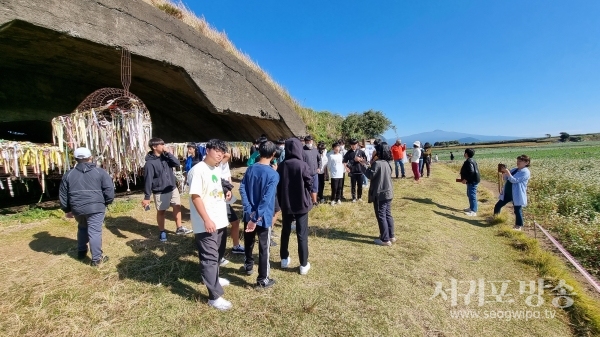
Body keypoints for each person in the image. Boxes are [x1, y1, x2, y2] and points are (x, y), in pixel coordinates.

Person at [188, 139, 233, 311]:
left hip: (219, 220)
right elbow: (196, 197)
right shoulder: (198, 170)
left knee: (218, 255)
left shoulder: (214, 169)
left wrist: (227, 192)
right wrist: (206, 219)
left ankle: (213, 278)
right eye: (217, 151)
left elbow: (214, 190)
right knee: (210, 258)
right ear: (207, 150)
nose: (220, 155)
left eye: (222, 152)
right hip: (206, 223)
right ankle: (214, 297)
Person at [59, 147, 114, 266]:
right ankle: (96, 259)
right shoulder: (100, 172)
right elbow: (109, 190)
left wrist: (67, 209)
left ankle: (81, 251)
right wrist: (107, 202)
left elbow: (63, 194)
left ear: (75, 159)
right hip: (96, 207)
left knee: (82, 228)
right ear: (90, 157)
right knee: (94, 231)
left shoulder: (68, 174)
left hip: (77, 208)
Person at [240, 141, 279, 288]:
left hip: (249, 215)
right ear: (273, 154)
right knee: (264, 248)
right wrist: (256, 217)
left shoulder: (250, 168)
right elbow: (266, 199)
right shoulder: (273, 174)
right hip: (263, 217)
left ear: (259, 152)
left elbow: (242, 188)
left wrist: (249, 211)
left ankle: (248, 265)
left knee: (248, 242)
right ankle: (263, 279)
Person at [142, 138, 192, 242]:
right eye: (161, 144)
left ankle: (179, 228)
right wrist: (147, 197)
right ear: (154, 147)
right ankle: (162, 231)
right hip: (160, 191)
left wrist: (168, 153)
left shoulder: (166, 157)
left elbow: (177, 163)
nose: (164, 146)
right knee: (161, 211)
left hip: (172, 188)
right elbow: (148, 180)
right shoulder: (149, 163)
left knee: (177, 206)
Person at [277, 138, 313, 275]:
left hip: (286, 203)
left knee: (285, 231)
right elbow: (309, 182)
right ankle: (303, 264)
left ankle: (284, 259)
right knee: (301, 234)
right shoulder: (302, 165)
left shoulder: (282, 165)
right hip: (301, 204)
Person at [357, 142, 395, 246]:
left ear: (379, 152)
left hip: (380, 193)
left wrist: (363, 165)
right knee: (387, 214)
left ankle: (385, 239)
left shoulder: (378, 163)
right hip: (388, 192)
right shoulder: (387, 163)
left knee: (381, 215)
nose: (373, 151)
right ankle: (391, 236)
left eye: (375, 150)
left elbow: (370, 175)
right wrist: (368, 163)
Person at [494, 155, 531, 230]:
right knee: (498, 205)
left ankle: (518, 226)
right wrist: (503, 172)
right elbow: (506, 178)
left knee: (517, 210)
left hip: (517, 193)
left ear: (526, 162)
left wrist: (507, 172)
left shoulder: (525, 172)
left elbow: (514, 180)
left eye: (520, 161)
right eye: (517, 161)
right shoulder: (515, 169)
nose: (518, 162)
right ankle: (495, 218)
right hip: (508, 192)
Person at [220, 152, 244, 258]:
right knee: (224, 225)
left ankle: (235, 246)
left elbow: (228, 176)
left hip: (224, 196)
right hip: (219, 199)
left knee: (234, 222)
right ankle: (219, 253)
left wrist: (229, 188)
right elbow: (228, 155)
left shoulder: (221, 165)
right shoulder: (214, 165)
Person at [460, 148, 481, 217]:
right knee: (469, 194)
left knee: (472, 195)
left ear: (466, 154)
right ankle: (471, 207)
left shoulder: (469, 161)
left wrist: (465, 179)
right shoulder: (472, 160)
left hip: (472, 181)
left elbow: (471, 172)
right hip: (472, 180)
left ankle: (474, 211)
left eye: (464, 152)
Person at [302, 135, 321, 205]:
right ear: (305, 142)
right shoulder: (302, 151)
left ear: (312, 141)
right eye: (307, 142)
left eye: (310, 141)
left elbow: (319, 160)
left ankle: (314, 201)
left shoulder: (315, 150)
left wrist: (319, 167)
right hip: (306, 173)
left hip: (315, 172)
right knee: (307, 188)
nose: (309, 143)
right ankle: (308, 201)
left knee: (315, 187)